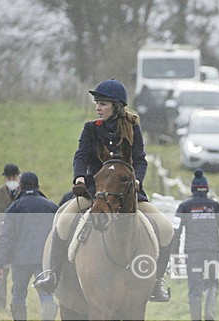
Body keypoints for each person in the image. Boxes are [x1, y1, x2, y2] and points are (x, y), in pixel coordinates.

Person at [33, 79, 174, 303]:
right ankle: (53, 275)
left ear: (116, 107)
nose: (98, 107)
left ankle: (156, 282)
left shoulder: (133, 129)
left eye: (103, 104)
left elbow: (140, 160)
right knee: (62, 221)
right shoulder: (91, 129)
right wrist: (79, 176)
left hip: (127, 193)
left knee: (166, 228)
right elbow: (81, 156)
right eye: (97, 103)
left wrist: (136, 181)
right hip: (93, 191)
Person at [0, 172, 59, 321]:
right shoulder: (51, 206)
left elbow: (6, 238)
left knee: (18, 294)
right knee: (46, 294)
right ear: (38, 186)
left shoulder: (13, 208)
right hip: (44, 259)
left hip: (20, 260)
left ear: (21, 186)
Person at [175, 169, 219, 321]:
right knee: (212, 284)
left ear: (192, 189)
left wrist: (174, 254)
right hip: (212, 252)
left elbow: (176, 232)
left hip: (193, 253)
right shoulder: (216, 206)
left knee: (194, 288)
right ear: (206, 189)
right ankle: (209, 316)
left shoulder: (184, 207)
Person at [0, 163, 21, 310]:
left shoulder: (24, 192)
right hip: (0, 237)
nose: (11, 179)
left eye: (14, 177)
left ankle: (16, 301)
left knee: (17, 272)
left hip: (19, 238)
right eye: (9, 177)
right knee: (0, 271)